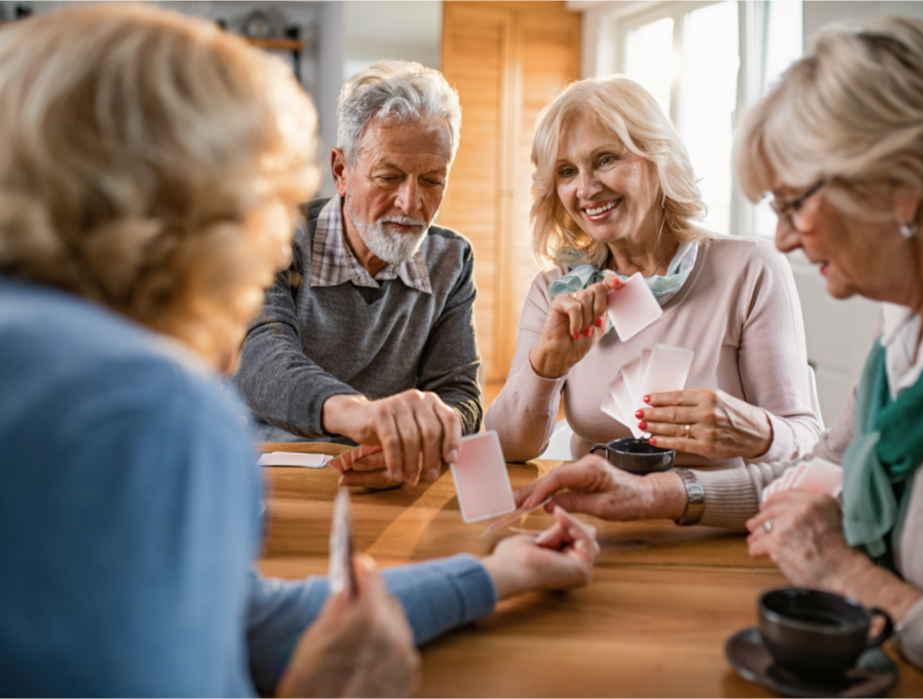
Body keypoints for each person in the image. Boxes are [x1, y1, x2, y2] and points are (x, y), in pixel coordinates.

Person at [0, 6, 599, 696]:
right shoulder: (154, 407)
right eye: (257, 200)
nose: (262, 242)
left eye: (432, 179)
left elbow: (233, 620)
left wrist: (496, 573)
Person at [516, 17, 923, 693]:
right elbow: (815, 474)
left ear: (902, 184)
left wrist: (855, 578)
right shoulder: (901, 339)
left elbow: (801, 454)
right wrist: (651, 494)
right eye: (566, 170)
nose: (785, 238)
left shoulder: (756, 272)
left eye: (794, 202)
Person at [485, 76, 821, 468]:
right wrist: (546, 365)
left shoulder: (749, 269)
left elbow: (806, 442)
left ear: (657, 157)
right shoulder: (556, 291)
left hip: (713, 519)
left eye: (605, 159)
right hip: (593, 517)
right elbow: (505, 449)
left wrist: (753, 429)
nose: (586, 188)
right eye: (565, 172)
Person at [233, 60, 481, 489]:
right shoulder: (276, 236)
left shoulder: (451, 260)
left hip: (386, 477)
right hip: (269, 470)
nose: (410, 202)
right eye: (389, 177)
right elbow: (261, 356)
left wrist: (422, 440)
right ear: (341, 172)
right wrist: (363, 415)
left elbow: (460, 395)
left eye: (432, 180)